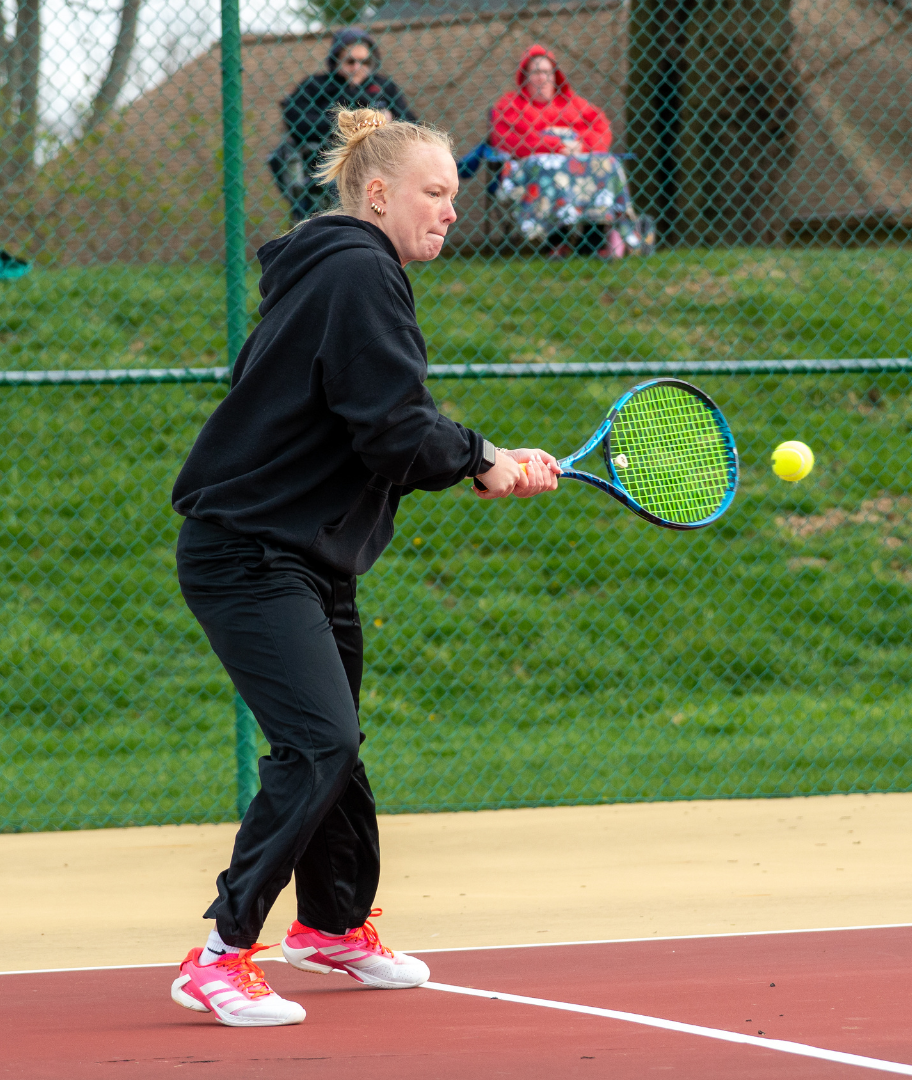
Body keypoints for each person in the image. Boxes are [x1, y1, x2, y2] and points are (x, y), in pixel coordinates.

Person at [168, 107, 559, 1027]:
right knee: (320, 744)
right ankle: (220, 955)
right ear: (377, 194)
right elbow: (390, 426)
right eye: (434, 193)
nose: (452, 212)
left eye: (455, 197)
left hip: (302, 554)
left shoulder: (338, 269)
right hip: (250, 554)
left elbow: (373, 415)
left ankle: (334, 926)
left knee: (335, 746)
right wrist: (477, 460)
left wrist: (478, 453)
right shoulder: (355, 270)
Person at [487, 44, 646, 258]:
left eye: (546, 71)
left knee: (606, 163)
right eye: (535, 72)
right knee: (547, 166)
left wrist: (581, 145)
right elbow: (511, 139)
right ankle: (556, 240)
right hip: (532, 168)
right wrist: (558, 146)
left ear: (555, 75)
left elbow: (601, 129)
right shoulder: (510, 105)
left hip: (579, 161)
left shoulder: (573, 103)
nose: (541, 77)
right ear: (524, 77)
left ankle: (593, 237)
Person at [270, 30, 419, 223]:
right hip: (327, 157)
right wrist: (346, 124)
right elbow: (295, 118)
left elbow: (411, 122)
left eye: (364, 62)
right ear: (336, 61)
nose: (357, 67)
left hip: (378, 157)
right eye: (350, 62)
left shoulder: (382, 86)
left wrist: (387, 122)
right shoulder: (317, 85)